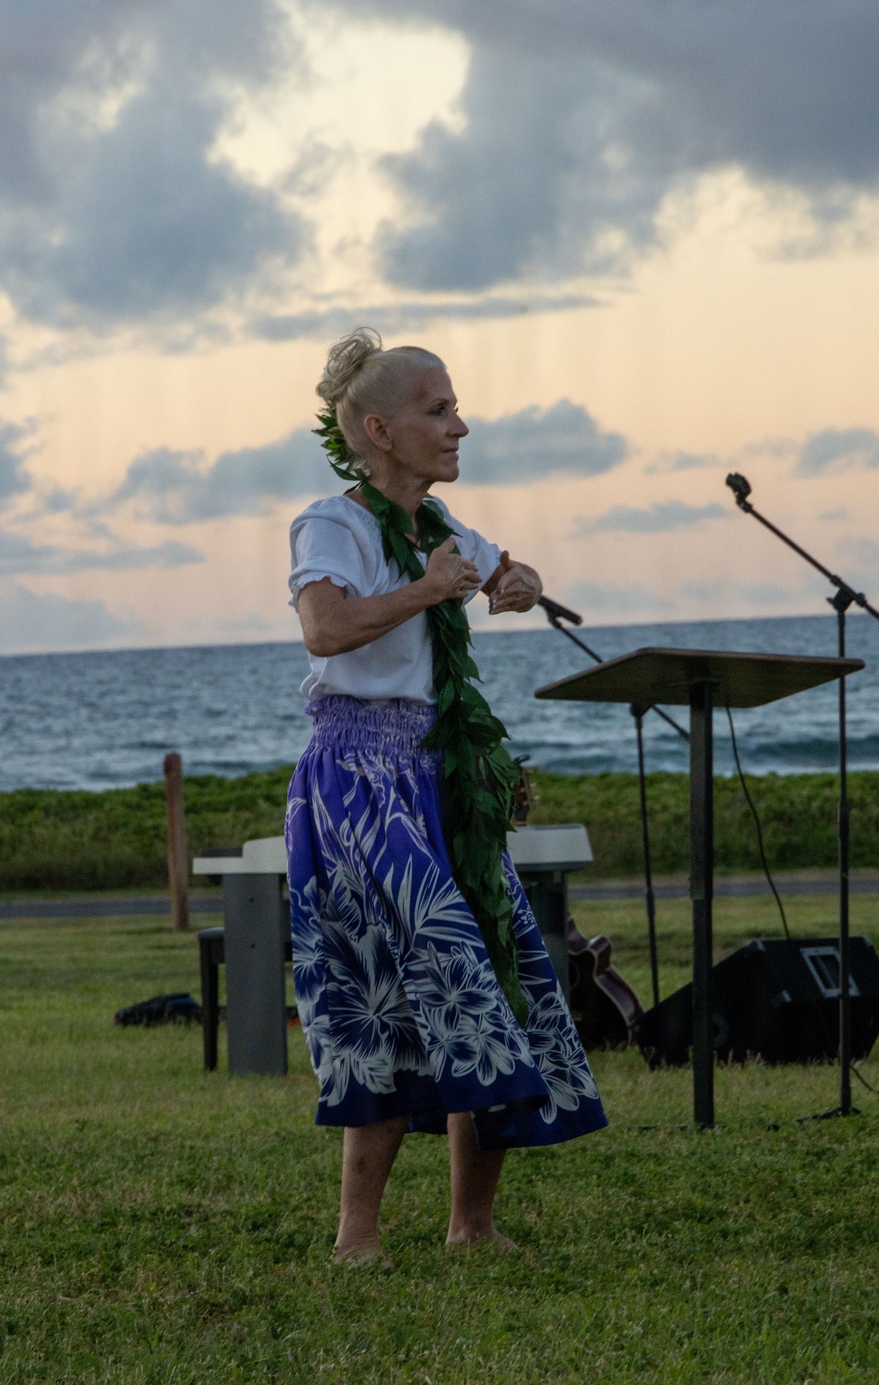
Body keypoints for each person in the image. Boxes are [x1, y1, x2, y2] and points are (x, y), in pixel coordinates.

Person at [286, 328, 607, 1264]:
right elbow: (325, 627)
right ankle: (358, 1238)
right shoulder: (331, 524)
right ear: (379, 430)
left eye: (456, 407)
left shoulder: (441, 528)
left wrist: (516, 580)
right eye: (439, 410)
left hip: (443, 776)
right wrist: (428, 592)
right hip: (360, 781)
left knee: (491, 979)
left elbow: (508, 566)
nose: (460, 426)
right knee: (392, 993)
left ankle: (472, 1226)